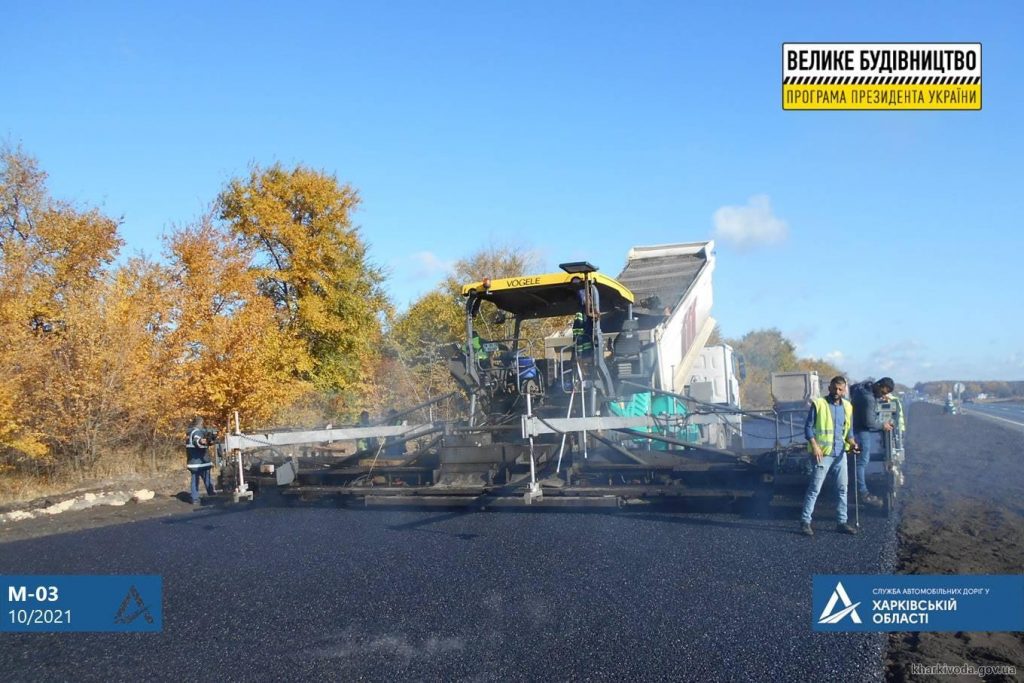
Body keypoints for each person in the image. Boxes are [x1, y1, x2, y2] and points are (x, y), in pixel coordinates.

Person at [800, 376, 859, 536]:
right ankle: (805, 522)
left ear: (845, 390)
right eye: (834, 388)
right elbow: (808, 428)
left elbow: (849, 432)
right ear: (829, 388)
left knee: (842, 489)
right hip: (823, 455)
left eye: (840, 389)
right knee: (814, 489)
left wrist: (853, 443)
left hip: (840, 454)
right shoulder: (819, 404)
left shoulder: (847, 407)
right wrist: (815, 446)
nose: (836, 392)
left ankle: (842, 522)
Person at [849, 376, 896, 507]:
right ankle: (862, 493)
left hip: (853, 427)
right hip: (861, 430)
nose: (883, 395)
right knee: (862, 462)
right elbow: (869, 423)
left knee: (855, 461)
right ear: (879, 385)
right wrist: (883, 425)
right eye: (883, 392)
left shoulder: (863, 388)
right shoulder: (869, 399)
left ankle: (852, 490)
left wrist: (878, 399)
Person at [185, 417, 216, 505]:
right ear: (200, 423)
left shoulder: (190, 433)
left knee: (196, 480)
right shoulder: (196, 432)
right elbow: (198, 441)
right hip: (200, 462)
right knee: (206, 479)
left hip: (193, 462)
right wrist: (204, 441)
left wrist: (208, 441)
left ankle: (195, 498)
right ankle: (210, 495)